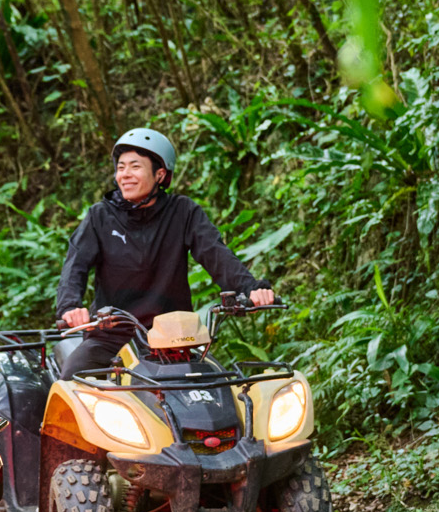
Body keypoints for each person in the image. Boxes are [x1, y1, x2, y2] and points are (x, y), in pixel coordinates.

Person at [53, 127, 275, 377]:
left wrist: (251, 289)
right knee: (73, 380)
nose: (124, 175)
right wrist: (70, 307)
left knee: (219, 392)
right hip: (111, 336)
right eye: (121, 167)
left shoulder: (183, 212)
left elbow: (217, 255)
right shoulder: (100, 217)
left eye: (135, 167)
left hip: (175, 340)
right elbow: (75, 266)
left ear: (160, 174)